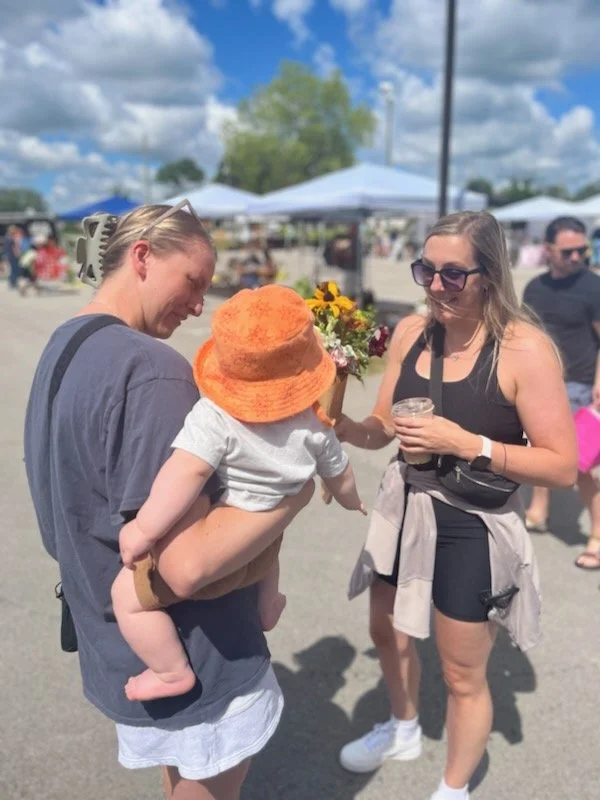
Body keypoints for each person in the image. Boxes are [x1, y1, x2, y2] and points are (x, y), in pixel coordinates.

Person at [24, 201, 315, 800]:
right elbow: (187, 564)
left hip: (114, 632)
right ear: (142, 257)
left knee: (180, 773)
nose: (198, 305)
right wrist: (296, 490)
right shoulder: (152, 369)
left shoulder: (63, 345)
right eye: (193, 281)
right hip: (197, 643)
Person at [335, 211, 577, 799]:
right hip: (407, 506)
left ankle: (454, 787)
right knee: (387, 632)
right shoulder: (411, 333)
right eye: (425, 271)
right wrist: (337, 422)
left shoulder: (524, 350)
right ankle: (404, 726)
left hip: (473, 523)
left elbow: (562, 466)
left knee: (462, 669)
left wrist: (467, 444)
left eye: (452, 275)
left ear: (489, 276)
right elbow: (381, 427)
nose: (435, 287)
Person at [112, 284, 366, 703]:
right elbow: (340, 475)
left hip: (223, 551)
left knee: (127, 599)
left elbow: (185, 474)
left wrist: (142, 529)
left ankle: (171, 671)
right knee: (271, 541)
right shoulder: (316, 424)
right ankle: (269, 606)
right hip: (263, 551)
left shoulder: (215, 417)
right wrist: (352, 502)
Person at [522, 216, 600, 569]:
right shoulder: (535, 289)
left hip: (580, 386)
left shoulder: (593, 287)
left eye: (581, 250)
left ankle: (597, 536)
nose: (576, 257)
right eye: (568, 251)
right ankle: (539, 510)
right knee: (541, 451)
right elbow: (526, 336)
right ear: (549, 250)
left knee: (580, 467)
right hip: (541, 385)